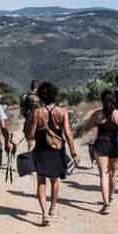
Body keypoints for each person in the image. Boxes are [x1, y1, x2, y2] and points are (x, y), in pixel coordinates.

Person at [26, 82, 79, 226]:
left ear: (40, 96)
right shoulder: (62, 112)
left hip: (41, 148)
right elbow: (68, 133)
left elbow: (31, 134)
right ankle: (53, 207)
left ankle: (44, 214)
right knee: (55, 180)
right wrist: (73, 153)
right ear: (54, 95)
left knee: (41, 181)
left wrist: (33, 136)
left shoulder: (37, 112)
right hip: (57, 149)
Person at [89, 90, 118, 214]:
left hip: (101, 144)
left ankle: (106, 204)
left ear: (102, 101)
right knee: (113, 174)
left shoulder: (97, 114)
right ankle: (110, 197)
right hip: (115, 144)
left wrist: (91, 145)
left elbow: (91, 131)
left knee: (103, 174)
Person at [19, 80, 41, 150]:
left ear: (31, 87)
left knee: (30, 144)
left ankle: (30, 154)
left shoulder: (25, 97)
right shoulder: (41, 96)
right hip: (41, 122)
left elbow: (22, 112)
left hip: (29, 121)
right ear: (38, 87)